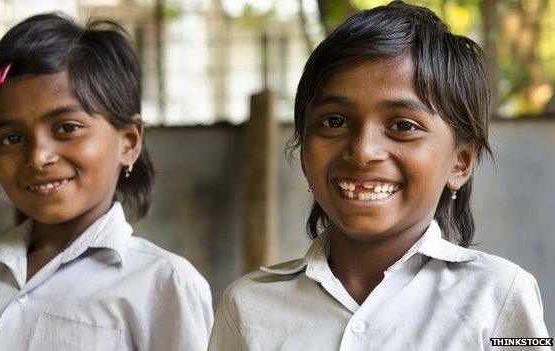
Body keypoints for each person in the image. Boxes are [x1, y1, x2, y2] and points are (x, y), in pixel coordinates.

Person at [208, 1, 550, 350]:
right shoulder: (248, 307)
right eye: (334, 121)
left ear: (460, 162)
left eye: (403, 126)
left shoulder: (499, 297)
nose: (363, 151)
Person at [0, 13, 212, 351]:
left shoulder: (162, 284)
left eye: (67, 128)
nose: (38, 157)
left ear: (128, 142)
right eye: (11, 138)